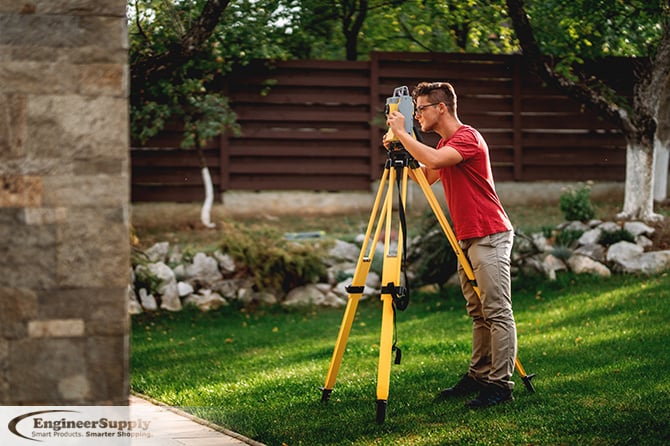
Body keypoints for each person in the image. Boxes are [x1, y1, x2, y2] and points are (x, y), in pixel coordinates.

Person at [385, 81, 517, 408]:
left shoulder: (467, 138)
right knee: (478, 312)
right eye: (413, 111)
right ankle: (478, 375)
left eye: (420, 109)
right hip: (467, 237)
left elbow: (435, 159)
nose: (415, 115)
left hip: (489, 234)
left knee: (497, 312)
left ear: (440, 108)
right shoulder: (446, 144)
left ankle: (500, 385)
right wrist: (399, 150)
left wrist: (404, 135)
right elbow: (425, 175)